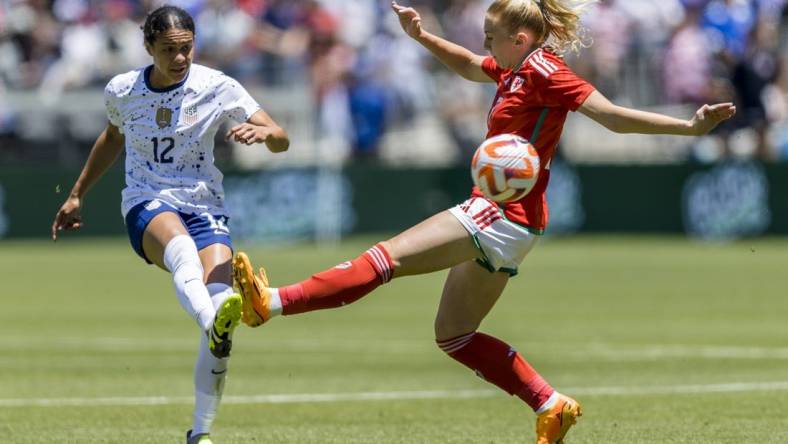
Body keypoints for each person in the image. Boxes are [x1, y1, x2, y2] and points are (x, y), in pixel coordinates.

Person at [233, 1, 736, 443]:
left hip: (497, 211)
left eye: (492, 36)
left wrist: (689, 128)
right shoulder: (514, 68)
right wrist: (423, 36)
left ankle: (270, 304)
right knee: (454, 334)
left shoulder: (545, 72)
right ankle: (550, 404)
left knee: (386, 257)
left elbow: (610, 115)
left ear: (519, 39)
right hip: (521, 227)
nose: (485, 45)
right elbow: (474, 66)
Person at [50, 6, 289, 444]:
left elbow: (281, 137)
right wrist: (77, 192)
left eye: (187, 48)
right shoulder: (122, 90)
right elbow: (113, 138)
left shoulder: (216, 86)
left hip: (205, 206)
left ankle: (200, 432)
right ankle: (210, 319)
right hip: (147, 200)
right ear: (148, 48)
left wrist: (266, 135)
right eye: (169, 50)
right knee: (183, 258)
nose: (180, 58)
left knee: (222, 319)